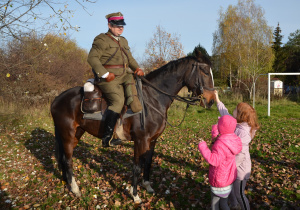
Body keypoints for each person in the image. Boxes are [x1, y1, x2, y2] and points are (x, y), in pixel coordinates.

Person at [87, 12, 144, 148]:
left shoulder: (123, 40)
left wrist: (137, 68)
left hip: (124, 75)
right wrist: (105, 74)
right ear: (109, 25)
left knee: (139, 92)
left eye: (122, 26)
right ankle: (107, 137)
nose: (121, 28)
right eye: (117, 26)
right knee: (118, 101)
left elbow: (129, 59)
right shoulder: (101, 40)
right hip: (108, 78)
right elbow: (92, 58)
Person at [214, 90, 260, 210]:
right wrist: (217, 98)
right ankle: (235, 206)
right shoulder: (235, 123)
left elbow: (239, 154)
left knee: (239, 193)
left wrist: (228, 167)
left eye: (235, 109)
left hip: (240, 170)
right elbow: (225, 113)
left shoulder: (243, 132)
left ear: (240, 115)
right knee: (232, 192)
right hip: (232, 167)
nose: (232, 110)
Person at [198, 115, 242, 210]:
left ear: (221, 128)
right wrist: (216, 127)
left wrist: (202, 146)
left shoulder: (220, 144)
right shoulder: (233, 139)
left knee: (217, 204)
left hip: (219, 181)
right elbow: (218, 135)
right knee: (224, 202)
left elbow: (213, 160)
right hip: (228, 180)